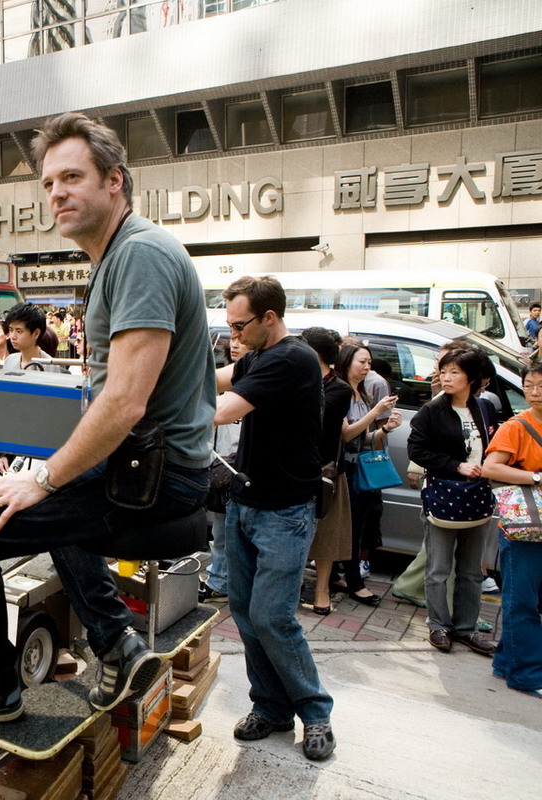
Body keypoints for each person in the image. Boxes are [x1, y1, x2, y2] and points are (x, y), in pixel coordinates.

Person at [0, 112, 214, 724]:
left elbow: (124, 403)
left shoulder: (140, 254)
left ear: (114, 181)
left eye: (72, 177)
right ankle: (117, 645)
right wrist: (50, 471)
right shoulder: (118, 255)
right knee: (51, 504)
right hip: (146, 465)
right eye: (48, 183)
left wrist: (46, 477)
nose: (56, 194)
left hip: (157, 478)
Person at [215, 274, 334, 761]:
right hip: (245, 501)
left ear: (269, 317)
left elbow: (223, 409)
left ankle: (315, 711)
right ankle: (270, 707)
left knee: (272, 617)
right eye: (229, 326)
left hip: (285, 511)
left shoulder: (292, 358)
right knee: (245, 614)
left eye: (240, 326)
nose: (234, 335)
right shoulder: (259, 355)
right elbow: (218, 379)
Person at [407, 348, 497, 655]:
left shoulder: (484, 408)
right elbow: (418, 451)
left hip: (477, 495)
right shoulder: (432, 410)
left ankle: (466, 628)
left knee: (472, 569)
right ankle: (438, 625)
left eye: (454, 372)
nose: (446, 377)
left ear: (471, 378)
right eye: (443, 371)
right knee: (438, 568)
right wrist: (457, 466)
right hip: (443, 494)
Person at [480, 362, 542, 698]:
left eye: (541, 386)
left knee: (526, 598)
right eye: (529, 386)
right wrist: (535, 476)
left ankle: (506, 663)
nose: (534, 393)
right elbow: (491, 468)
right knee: (522, 601)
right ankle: (526, 675)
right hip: (524, 526)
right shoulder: (516, 426)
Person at [334, 343, 402, 605]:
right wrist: (376, 412)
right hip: (342, 469)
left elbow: (362, 438)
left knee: (356, 525)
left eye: (369, 363)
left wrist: (386, 429)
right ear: (346, 362)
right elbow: (346, 435)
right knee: (349, 527)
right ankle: (353, 581)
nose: (366, 368)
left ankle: (341, 577)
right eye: (361, 362)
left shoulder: (361, 394)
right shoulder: (341, 392)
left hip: (357, 467)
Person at [300, 327, 354, 616]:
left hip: (326, 472)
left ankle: (322, 590)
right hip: (292, 469)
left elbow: (317, 419)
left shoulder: (340, 389)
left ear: (313, 353)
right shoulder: (295, 380)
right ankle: (294, 585)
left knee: (327, 535)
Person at [201, 335, 248, 604]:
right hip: (222, 467)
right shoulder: (221, 383)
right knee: (221, 529)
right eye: (232, 338)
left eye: (242, 338)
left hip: (246, 470)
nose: (236, 344)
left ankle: (227, 581)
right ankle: (219, 580)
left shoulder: (260, 381)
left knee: (236, 532)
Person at [2, 303, 63, 373]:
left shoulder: (50, 365)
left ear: (36, 333)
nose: (12, 336)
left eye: (19, 331)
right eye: (11, 330)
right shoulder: (10, 361)